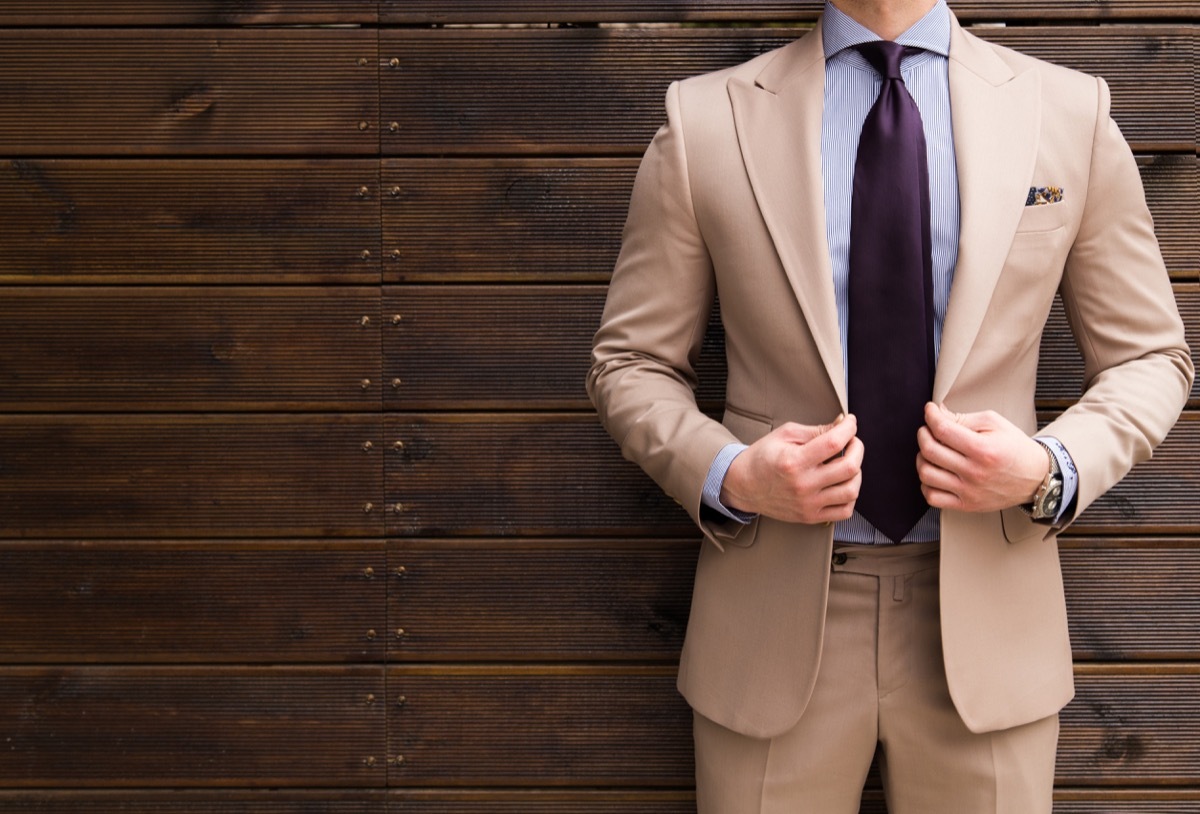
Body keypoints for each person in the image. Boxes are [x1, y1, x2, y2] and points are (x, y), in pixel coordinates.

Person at [586, 0, 1193, 811]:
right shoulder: (706, 120)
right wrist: (730, 476)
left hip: (990, 625)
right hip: (771, 623)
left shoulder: (1067, 113)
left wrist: (1049, 469)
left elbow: (1149, 355)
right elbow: (630, 362)